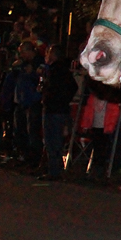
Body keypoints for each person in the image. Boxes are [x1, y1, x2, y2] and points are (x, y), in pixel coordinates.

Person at [38, 44, 78, 181]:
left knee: (52, 141)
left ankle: (54, 171)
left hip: (53, 110)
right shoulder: (63, 70)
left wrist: (50, 96)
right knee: (57, 141)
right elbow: (73, 86)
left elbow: (56, 88)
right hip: (60, 109)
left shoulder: (54, 70)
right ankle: (56, 169)